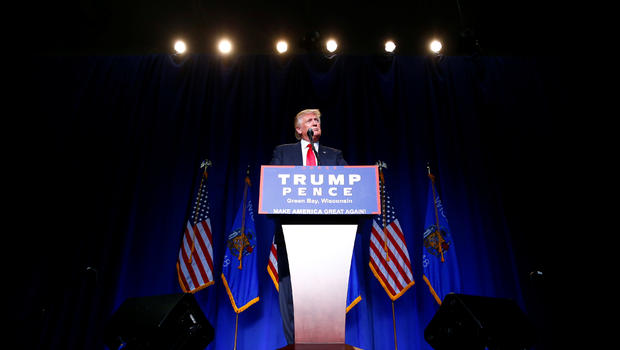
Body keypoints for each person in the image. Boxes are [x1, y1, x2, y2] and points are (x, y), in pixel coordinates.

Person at [269, 108, 348, 344]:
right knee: (291, 294)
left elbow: (351, 184)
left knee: (324, 298)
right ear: (299, 129)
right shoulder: (283, 153)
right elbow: (272, 185)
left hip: (328, 236)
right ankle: (294, 344)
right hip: (292, 234)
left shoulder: (333, 156)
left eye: (318, 120)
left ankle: (325, 343)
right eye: (310, 120)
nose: (316, 122)